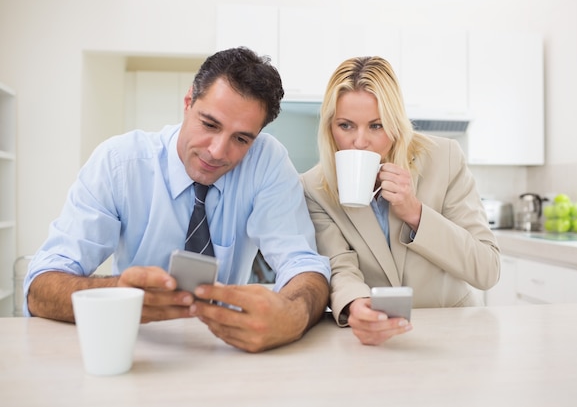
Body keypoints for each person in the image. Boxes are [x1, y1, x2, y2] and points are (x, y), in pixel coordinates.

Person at [25, 47, 331, 353]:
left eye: (241, 139)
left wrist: (294, 313)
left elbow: (301, 262)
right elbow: (40, 286)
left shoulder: (267, 161)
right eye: (210, 125)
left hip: (224, 349)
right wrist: (119, 293)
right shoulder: (118, 163)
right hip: (135, 344)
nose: (217, 151)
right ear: (188, 103)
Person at [301, 56, 500, 346]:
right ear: (330, 128)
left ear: (395, 123)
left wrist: (416, 213)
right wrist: (357, 305)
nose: (359, 141)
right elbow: (341, 267)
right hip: (378, 340)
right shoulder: (315, 187)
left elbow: (487, 270)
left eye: (376, 126)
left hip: (456, 334)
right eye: (346, 126)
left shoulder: (444, 158)